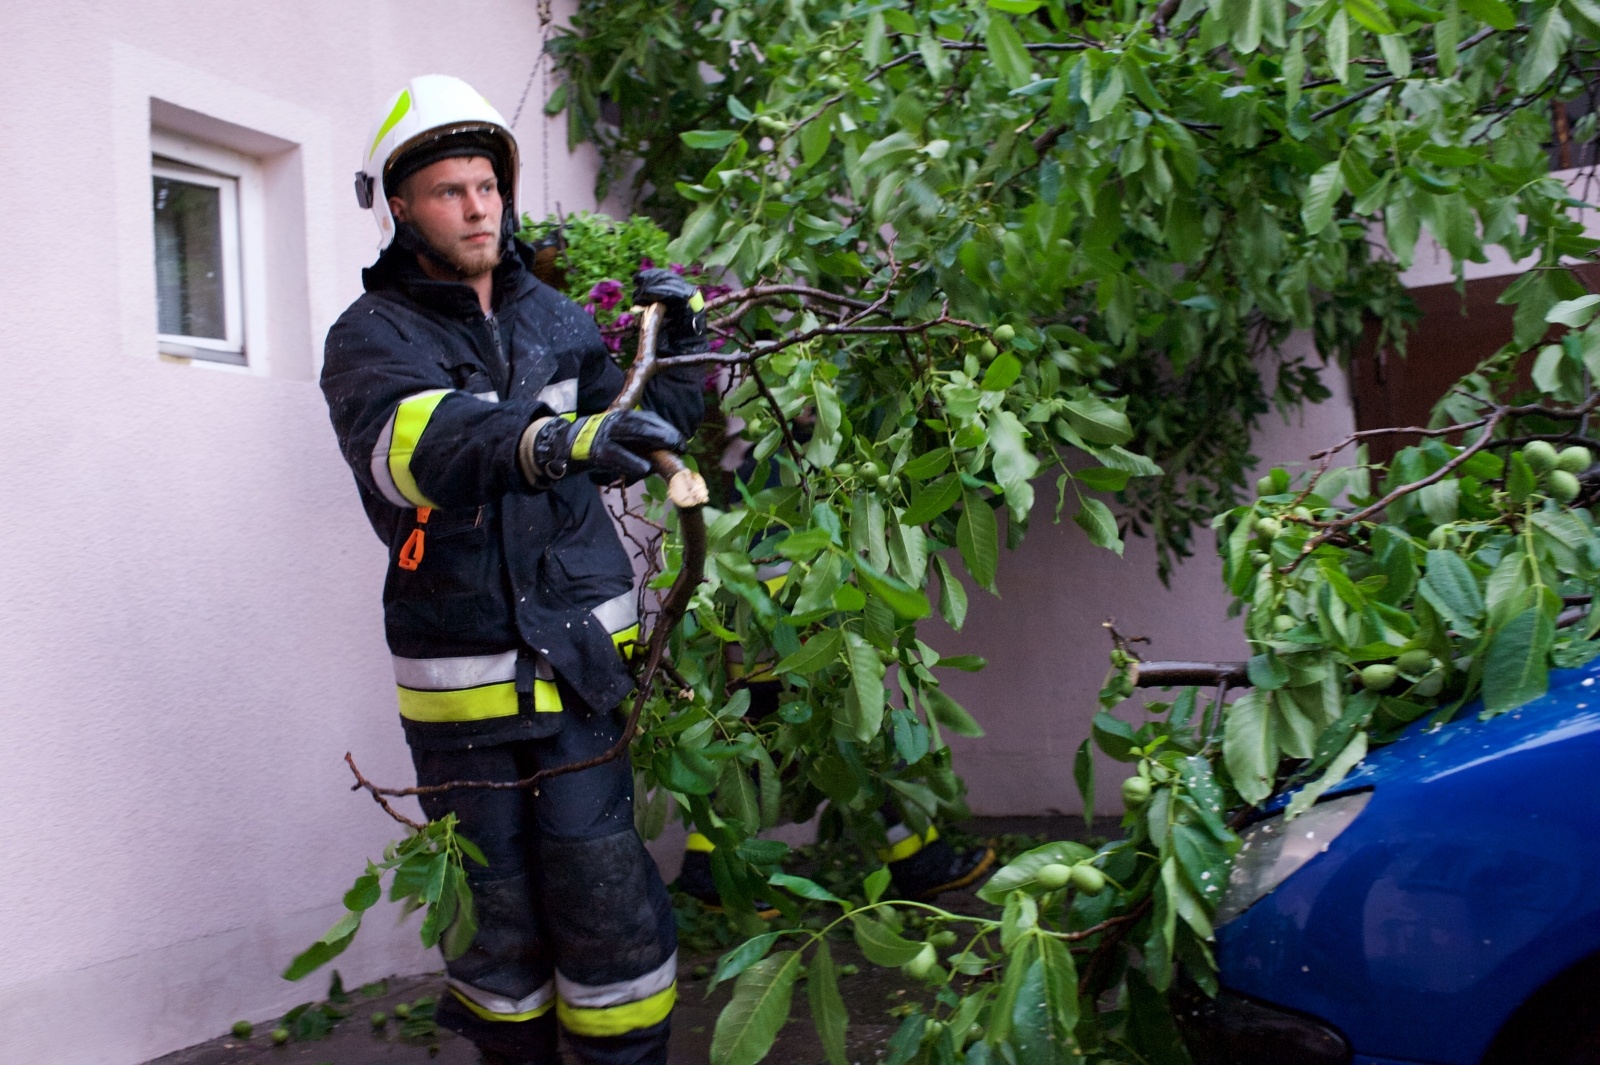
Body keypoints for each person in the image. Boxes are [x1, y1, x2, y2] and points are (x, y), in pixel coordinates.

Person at [319, 74, 706, 1065]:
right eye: (450, 190)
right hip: (463, 687)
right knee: (493, 924)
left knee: (606, 899)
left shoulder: (559, 321)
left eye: (487, 185)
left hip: (581, 666)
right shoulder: (372, 340)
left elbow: (642, 436)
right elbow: (422, 448)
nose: (477, 205)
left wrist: (684, 358)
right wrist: (552, 442)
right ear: (401, 207)